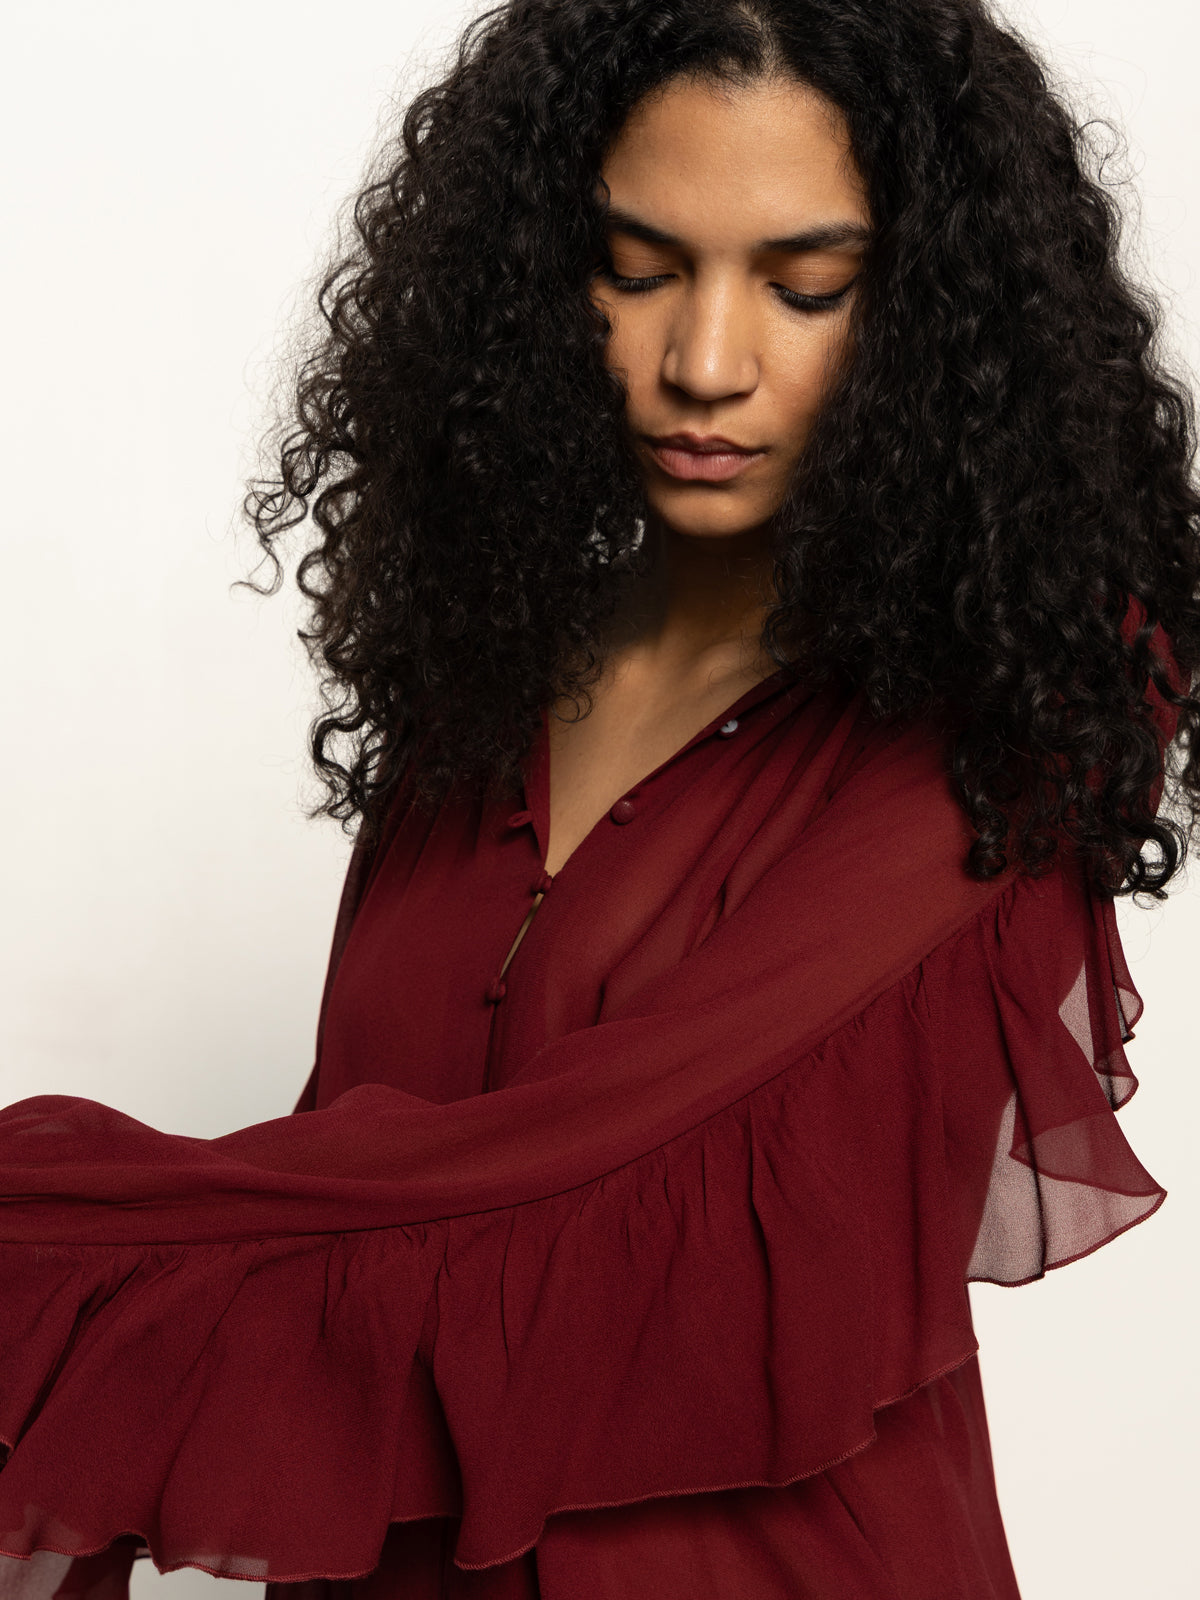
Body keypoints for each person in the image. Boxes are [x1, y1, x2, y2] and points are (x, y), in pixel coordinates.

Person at [1, 1, 1198, 1597]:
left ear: (936, 314)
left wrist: (39, 1247)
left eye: (805, 287)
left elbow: (575, 1189)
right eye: (635, 271)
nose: (702, 364)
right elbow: (342, 1189)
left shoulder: (1020, 700)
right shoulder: (487, 676)